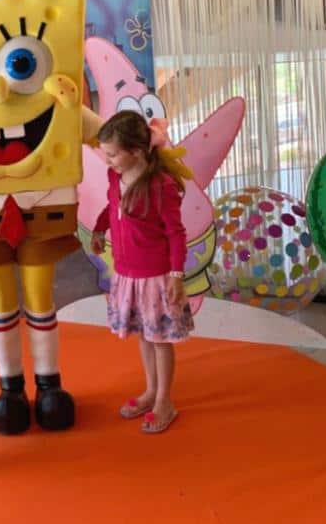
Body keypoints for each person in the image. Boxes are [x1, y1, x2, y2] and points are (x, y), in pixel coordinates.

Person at [90, 111, 193, 434]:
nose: (107, 160)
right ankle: (150, 390)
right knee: (144, 337)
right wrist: (99, 228)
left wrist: (176, 276)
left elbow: (176, 233)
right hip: (127, 274)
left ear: (136, 151)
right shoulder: (114, 178)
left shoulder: (161, 186)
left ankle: (165, 400)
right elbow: (112, 205)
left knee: (160, 339)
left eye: (112, 153)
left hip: (156, 277)